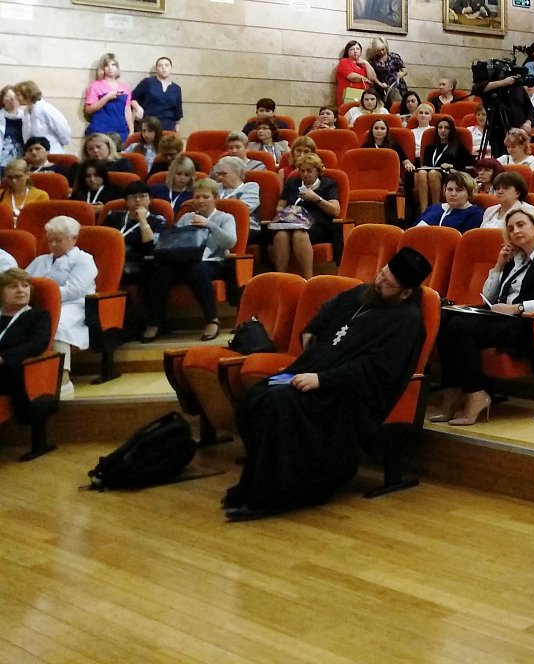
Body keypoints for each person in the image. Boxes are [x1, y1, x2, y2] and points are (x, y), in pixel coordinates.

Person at [224, 248, 430, 521]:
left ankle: (279, 493)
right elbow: (329, 309)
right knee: (256, 396)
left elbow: (375, 370)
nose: (379, 282)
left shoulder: (408, 322)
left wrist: (322, 379)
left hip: (348, 394)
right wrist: (311, 330)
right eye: (381, 274)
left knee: (279, 404)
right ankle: (254, 486)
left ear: (404, 293)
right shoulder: (364, 293)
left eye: (387, 282)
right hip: (317, 375)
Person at [431, 204, 534, 425]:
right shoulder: (516, 258)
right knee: (446, 318)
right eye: (511, 228)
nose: (516, 231)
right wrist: (498, 265)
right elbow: (488, 295)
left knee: (459, 327)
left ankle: (476, 394)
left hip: (528, 323)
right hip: (501, 318)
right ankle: (453, 390)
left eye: (521, 225)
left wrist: (518, 308)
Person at [145, 178, 233, 343]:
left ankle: (212, 319)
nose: (200, 201)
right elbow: (175, 241)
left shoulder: (225, 218)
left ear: (215, 197)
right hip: (183, 261)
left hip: (212, 262)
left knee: (196, 268)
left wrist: (210, 225)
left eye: (206, 197)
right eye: (197, 197)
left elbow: (230, 243)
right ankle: (155, 322)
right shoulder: (186, 217)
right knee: (162, 271)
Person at [26, 215, 98, 396]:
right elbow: (24, 281)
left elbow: (74, 290)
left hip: (74, 306)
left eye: (58, 241)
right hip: (39, 306)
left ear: (74, 238)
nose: (53, 245)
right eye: (50, 240)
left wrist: (46, 295)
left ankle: (63, 377)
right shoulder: (40, 261)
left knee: (56, 324)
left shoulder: (83, 259)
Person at [103, 181, 165, 334]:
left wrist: (143, 220)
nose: (137, 200)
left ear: (150, 199)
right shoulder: (114, 217)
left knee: (152, 274)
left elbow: (151, 246)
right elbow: (102, 242)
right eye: (132, 197)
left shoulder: (158, 220)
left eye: (142, 196)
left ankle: (146, 323)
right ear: (126, 200)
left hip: (139, 263)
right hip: (111, 262)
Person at [270, 154, 341, 279]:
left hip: (317, 223)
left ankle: (308, 278)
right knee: (281, 235)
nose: (305, 174)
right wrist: (286, 212)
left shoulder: (328, 184)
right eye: (302, 171)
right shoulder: (292, 183)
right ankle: (281, 277)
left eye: (309, 171)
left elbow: (335, 211)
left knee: (299, 234)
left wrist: (316, 199)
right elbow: (280, 205)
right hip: (291, 221)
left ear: (317, 170)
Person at [0, 269, 54, 421]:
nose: (20, 290)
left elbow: (37, 345)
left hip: (12, 371)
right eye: (13, 286)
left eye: (25, 286)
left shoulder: (38, 316)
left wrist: (3, 358)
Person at [83, 53, 139, 139]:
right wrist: (106, 98)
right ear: (103, 68)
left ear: (117, 67)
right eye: (106, 65)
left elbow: (127, 111)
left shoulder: (125, 88)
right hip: (100, 132)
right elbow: (88, 110)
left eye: (113, 65)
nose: (110, 68)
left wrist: (131, 131)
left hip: (121, 132)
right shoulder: (96, 86)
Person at [16, 80, 71, 154]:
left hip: (52, 152)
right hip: (35, 154)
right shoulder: (26, 112)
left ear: (27, 94)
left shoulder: (45, 109)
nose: (16, 98)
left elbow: (63, 129)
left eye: (18, 95)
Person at [131, 57, 183, 134]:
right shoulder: (147, 82)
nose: (163, 68)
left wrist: (177, 132)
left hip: (168, 128)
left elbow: (177, 114)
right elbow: (132, 98)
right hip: (149, 125)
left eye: (166, 65)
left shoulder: (176, 88)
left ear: (171, 68)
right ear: (156, 69)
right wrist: (138, 108)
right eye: (160, 65)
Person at [335, 40, 377, 108]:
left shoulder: (363, 65)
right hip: (349, 97)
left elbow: (372, 78)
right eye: (352, 49)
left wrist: (366, 63)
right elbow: (352, 77)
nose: (355, 51)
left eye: (358, 49)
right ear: (347, 52)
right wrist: (366, 80)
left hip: (364, 98)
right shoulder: (344, 62)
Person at [367, 37, 408, 106]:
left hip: (398, 86)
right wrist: (380, 83)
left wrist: (402, 73)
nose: (381, 52)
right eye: (378, 51)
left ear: (386, 47)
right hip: (383, 89)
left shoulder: (394, 57)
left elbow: (404, 69)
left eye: (383, 49)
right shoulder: (372, 62)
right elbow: (373, 77)